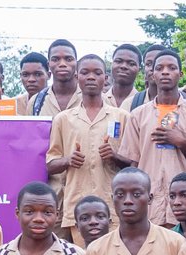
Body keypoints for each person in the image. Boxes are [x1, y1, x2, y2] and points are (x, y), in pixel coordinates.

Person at [117, 51, 186, 226]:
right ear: (152, 74)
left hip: (185, 204)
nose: (165, 72)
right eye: (159, 68)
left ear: (181, 74)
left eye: (171, 68)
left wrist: (182, 143)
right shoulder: (138, 115)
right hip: (149, 202)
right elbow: (133, 163)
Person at [45, 54, 126, 241]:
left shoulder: (121, 117)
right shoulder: (63, 119)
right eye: (85, 72)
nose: (91, 77)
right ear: (76, 78)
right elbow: (50, 164)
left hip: (111, 206)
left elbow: (134, 164)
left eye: (97, 73)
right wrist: (68, 160)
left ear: (106, 79)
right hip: (77, 206)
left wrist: (115, 157)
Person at [108, 44, 142, 109]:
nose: (124, 66)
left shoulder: (144, 103)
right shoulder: (99, 100)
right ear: (111, 64)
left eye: (131, 64)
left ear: (139, 70)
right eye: (118, 61)